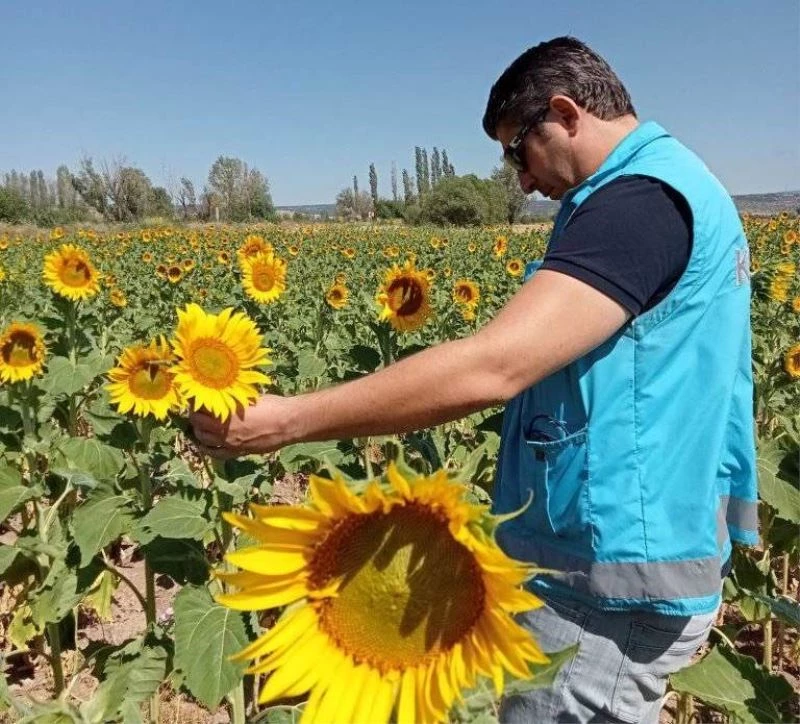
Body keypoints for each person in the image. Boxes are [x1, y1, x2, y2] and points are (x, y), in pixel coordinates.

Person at [191, 36, 759, 723]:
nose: (521, 180)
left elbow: (497, 365)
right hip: (628, 556)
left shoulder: (639, 204)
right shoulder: (675, 187)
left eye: (518, 148)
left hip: (605, 590)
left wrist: (291, 421)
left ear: (566, 113)